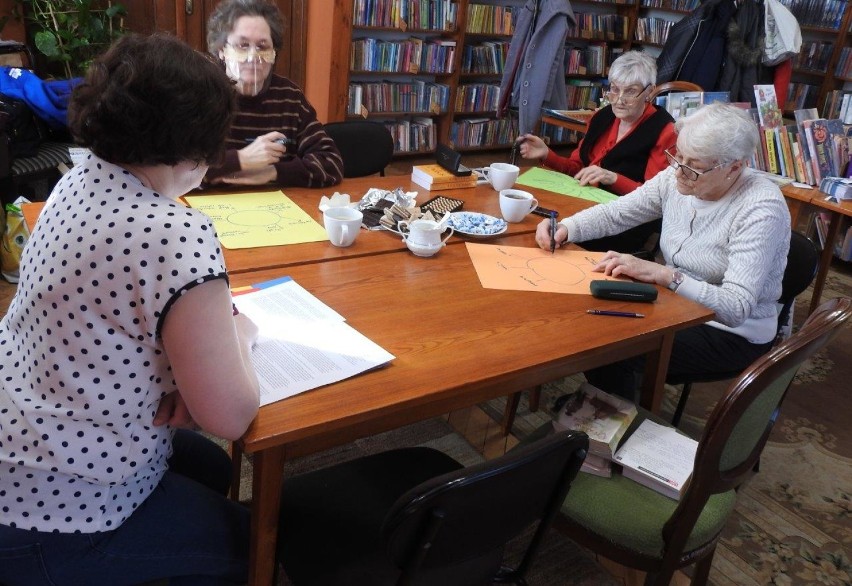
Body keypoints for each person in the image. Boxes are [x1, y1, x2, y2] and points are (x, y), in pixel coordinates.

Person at [0, 34, 260, 585]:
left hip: (21, 439)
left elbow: (109, 316)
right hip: (52, 510)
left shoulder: (76, 180)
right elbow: (230, 417)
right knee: (255, 543)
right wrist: (243, 334)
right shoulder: (173, 230)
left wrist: (177, 376)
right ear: (200, 145)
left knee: (209, 467)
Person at [534, 102, 790, 401]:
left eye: (693, 167)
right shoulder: (677, 175)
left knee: (609, 345)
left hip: (732, 332)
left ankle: (611, 420)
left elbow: (735, 309)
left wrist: (666, 276)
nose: (679, 171)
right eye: (676, 156)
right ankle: (603, 404)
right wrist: (567, 227)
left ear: (735, 166)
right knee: (587, 317)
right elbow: (618, 213)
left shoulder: (760, 208)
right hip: (674, 303)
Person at [519, 50, 677, 254]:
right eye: (614, 89)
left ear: (649, 92)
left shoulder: (665, 130)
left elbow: (654, 199)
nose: (619, 100)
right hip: (583, 205)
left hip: (625, 222)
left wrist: (612, 178)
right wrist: (547, 155)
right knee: (531, 224)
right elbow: (577, 168)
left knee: (552, 241)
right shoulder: (602, 117)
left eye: (630, 91)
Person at [204, 0, 344, 188]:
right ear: (222, 51)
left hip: (278, 208)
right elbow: (176, 167)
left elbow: (331, 163)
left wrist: (273, 172)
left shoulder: (290, 97)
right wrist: (241, 159)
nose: (253, 56)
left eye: (263, 47)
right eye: (242, 45)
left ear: (274, 54)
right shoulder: (202, 94)